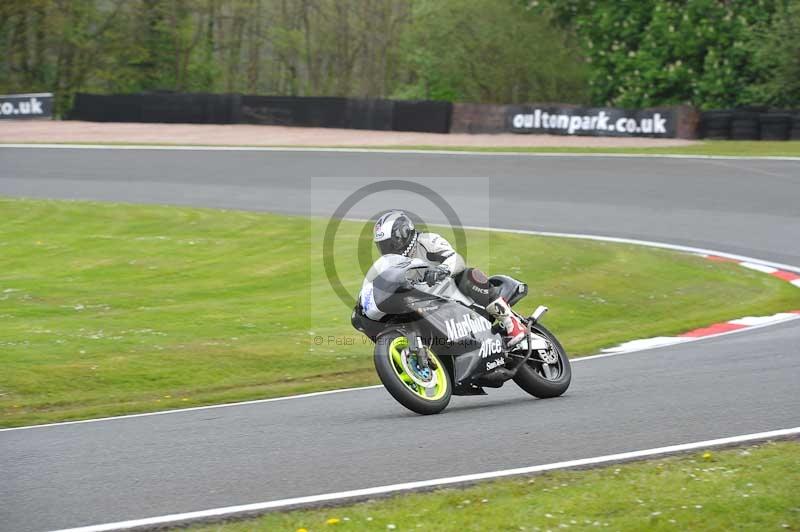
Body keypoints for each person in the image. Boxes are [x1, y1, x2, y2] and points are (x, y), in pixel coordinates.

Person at [361, 210, 528, 346]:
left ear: (403, 233)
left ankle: (512, 323)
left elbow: (456, 259)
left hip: (452, 295)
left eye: (390, 244)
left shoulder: (427, 241)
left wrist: (442, 270)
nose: (387, 249)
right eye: (382, 246)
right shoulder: (390, 264)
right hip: (426, 305)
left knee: (468, 274)